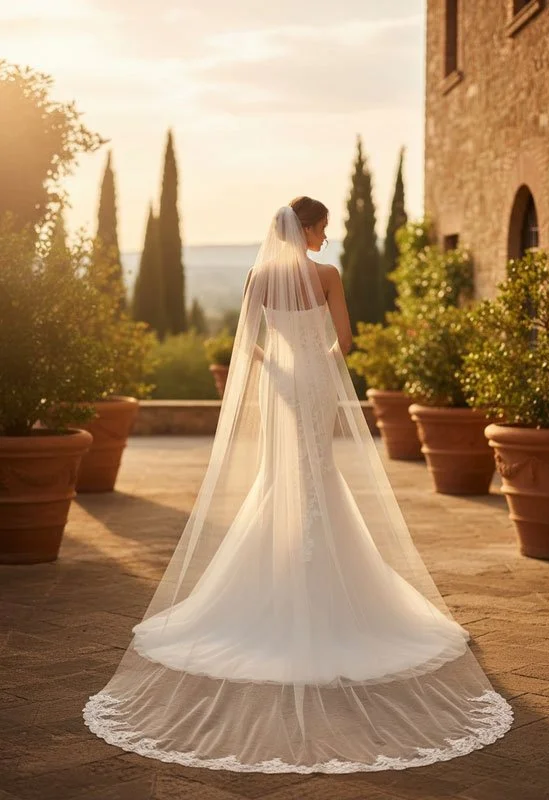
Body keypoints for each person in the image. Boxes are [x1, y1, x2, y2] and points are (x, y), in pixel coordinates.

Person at [83, 197, 512, 773]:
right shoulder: (328, 276)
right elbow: (346, 340)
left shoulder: (259, 274)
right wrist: (315, 360)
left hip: (282, 381)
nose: (327, 237)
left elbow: (245, 341)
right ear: (306, 228)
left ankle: (282, 563)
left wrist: (279, 360)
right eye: (323, 227)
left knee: (284, 471)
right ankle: (328, 578)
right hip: (315, 382)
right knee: (318, 469)